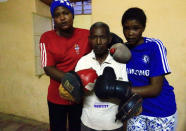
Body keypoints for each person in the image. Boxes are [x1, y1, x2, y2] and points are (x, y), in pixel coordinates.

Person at [121, 7, 177, 131]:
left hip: (161, 111)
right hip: (136, 110)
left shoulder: (154, 46)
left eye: (136, 28)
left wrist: (122, 90)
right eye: (126, 28)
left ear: (143, 28)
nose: (130, 33)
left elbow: (155, 89)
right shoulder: (122, 50)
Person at [39, 0, 91, 130]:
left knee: (77, 128)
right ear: (54, 19)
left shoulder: (86, 35)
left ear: (72, 15)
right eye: (57, 15)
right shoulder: (46, 37)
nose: (62, 18)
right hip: (57, 97)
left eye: (66, 13)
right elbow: (48, 68)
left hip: (79, 98)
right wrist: (76, 82)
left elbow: (105, 38)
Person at [75, 22, 133, 131]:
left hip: (114, 125)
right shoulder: (82, 62)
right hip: (88, 124)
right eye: (94, 37)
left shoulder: (119, 62)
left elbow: (126, 95)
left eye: (102, 37)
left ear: (109, 39)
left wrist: (112, 87)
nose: (98, 42)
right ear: (89, 39)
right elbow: (76, 97)